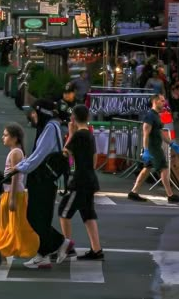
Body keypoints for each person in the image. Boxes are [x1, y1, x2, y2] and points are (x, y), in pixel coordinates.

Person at [8, 99, 73, 269]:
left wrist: (20, 168)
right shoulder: (48, 127)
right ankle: (45, 253)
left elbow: (39, 155)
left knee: (36, 217)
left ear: (42, 113)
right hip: (42, 179)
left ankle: (58, 244)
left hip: (44, 180)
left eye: (35, 113)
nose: (32, 116)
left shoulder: (50, 128)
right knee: (39, 217)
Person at [58, 104, 104, 260]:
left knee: (64, 212)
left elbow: (65, 153)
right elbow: (95, 157)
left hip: (79, 181)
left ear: (73, 118)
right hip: (90, 179)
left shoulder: (78, 136)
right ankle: (96, 250)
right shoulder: (90, 135)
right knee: (88, 215)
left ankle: (68, 247)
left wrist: (70, 133)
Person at [0, 123, 39, 259]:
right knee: (7, 225)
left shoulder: (16, 153)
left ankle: (2, 250)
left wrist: (12, 198)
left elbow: (15, 177)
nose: (3, 137)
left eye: (6, 135)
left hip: (14, 193)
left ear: (15, 138)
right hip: (10, 192)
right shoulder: (15, 152)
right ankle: (2, 250)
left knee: (13, 225)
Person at [128, 94, 179, 203]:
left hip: (154, 147)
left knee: (147, 169)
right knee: (163, 167)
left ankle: (133, 192)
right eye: (162, 101)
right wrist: (146, 150)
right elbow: (145, 134)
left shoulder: (156, 115)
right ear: (155, 101)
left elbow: (160, 132)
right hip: (153, 148)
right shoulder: (150, 116)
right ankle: (170, 195)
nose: (165, 103)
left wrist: (171, 143)